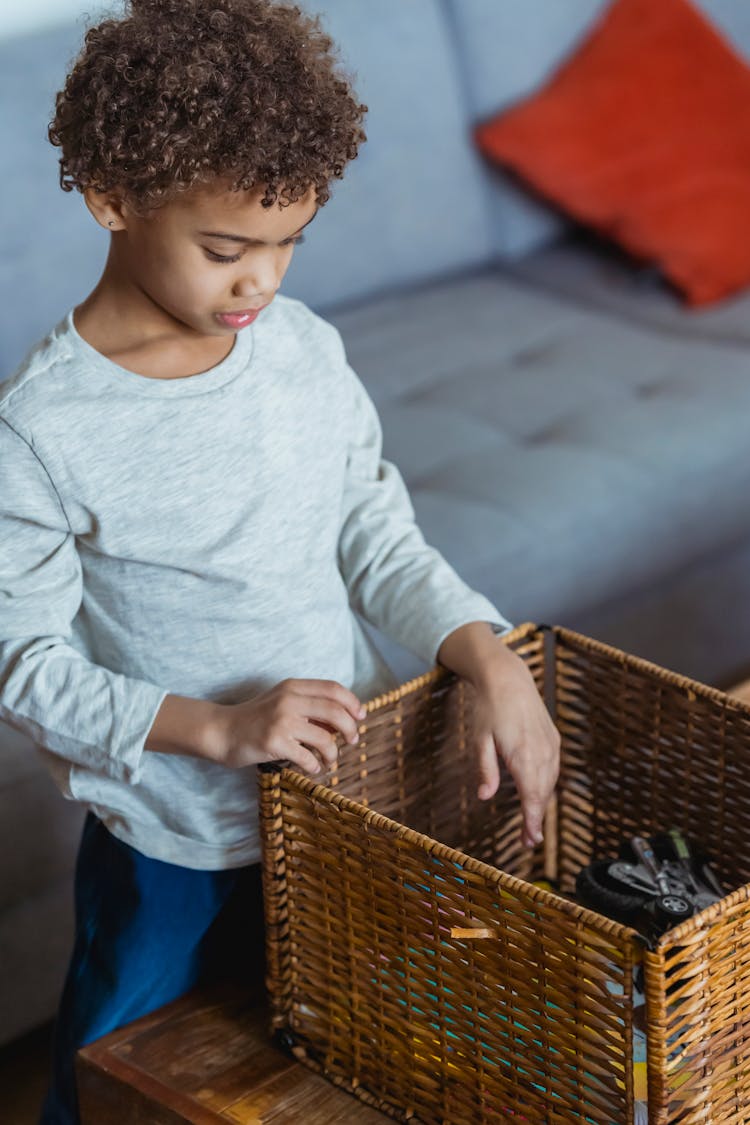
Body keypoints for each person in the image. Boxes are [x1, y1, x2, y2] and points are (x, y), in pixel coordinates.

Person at [0, 1, 560, 1120]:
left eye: (289, 240)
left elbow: (370, 527)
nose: (263, 282)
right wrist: (214, 729)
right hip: (174, 841)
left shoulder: (302, 350)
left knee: (331, 1061)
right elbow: (21, 662)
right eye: (226, 250)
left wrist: (485, 652)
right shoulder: (42, 428)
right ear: (114, 200)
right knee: (119, 1083)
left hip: (341, 807)